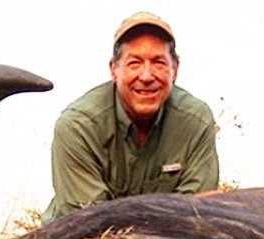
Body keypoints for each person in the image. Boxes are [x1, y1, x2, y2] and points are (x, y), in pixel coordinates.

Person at [42, 12, 220, 223]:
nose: (146, 76)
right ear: (114, 70)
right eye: (134, 63)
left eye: (159, 63)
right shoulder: (78, 126)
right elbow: (88, 225)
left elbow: (198, 214)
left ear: (175, 70)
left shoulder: (195, 121)